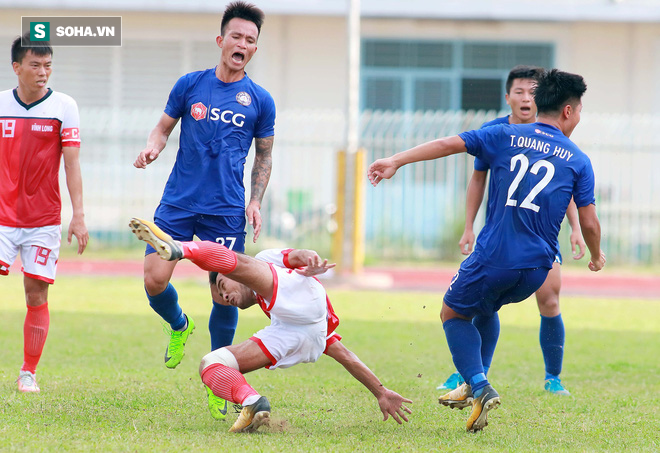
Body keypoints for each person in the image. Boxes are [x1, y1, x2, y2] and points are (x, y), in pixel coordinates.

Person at [367, 69, 605, 432]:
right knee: (487, 306)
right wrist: (596, 254)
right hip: (537, 269)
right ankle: (474, 380)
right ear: (569, 112)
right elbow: (589, 222)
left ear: (538, 103)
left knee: (452, 313)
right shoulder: (578, 158)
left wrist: (397, 160)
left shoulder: (503, 134)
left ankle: (478, 385)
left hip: (495, 256)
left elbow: (449, 144)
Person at [128, 217, 413, 433]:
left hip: (305, 297)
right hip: (300, 333)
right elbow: (344, 354)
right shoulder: (278, 312)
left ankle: (181, 249)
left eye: (224, 286)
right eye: (222, 297)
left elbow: (296, 255)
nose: (226, 296)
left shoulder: (263, 263)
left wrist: (310, 258)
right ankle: (252, 402)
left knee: (245, 264)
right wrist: (381, 392)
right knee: (211, 363)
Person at [132, 1, 275, 417]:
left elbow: (264, 157)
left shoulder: (260, 101)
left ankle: (220, 377)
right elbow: (162, 128)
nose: (243, 44)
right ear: (221, 40)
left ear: (253, 49)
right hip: (178, 201)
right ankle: (179, 324)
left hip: (226, 210)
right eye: (237, 36)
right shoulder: (190, 85)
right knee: (154, 281)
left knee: (225, 294)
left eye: (251, 40)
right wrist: (152, 148)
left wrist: (255, 201)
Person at [437, 65, 586, 396]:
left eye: (532, 92)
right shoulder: (495, 133)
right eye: (519, 91)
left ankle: (552, 377)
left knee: (549, 298)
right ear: (508, 97)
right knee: (483, 304)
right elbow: (478, 179)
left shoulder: (556, 141)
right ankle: (474, 376)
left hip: (538, 236)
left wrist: (575, 228)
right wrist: (468, 227)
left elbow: (567, 189)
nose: (526, 98)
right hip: (502, 237)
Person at [0, 33, 89, 393]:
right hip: (2, 217)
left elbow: (72, 165)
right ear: (16, 67)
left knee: (36, 294)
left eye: (48, 65)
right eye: (35, 65)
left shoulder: (64, 106)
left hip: (43, 221)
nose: (43, 72)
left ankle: (28, 373)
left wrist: (78, 214)